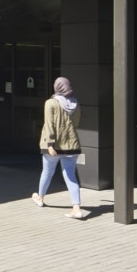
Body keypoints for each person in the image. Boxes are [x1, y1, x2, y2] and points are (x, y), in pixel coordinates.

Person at [32, 76, 84, 219]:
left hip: (53, 146)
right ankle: (76, 207)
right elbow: (77, 123)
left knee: (47, 172)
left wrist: (49, 144)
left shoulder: (51, 103)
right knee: (70, 176)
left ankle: (40, 198)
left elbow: (49, 124)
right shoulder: (75, 103)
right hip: (72, 145)